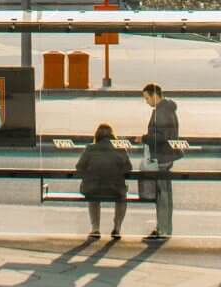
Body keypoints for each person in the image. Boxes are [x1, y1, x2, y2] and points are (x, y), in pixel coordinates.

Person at [75, 123, 132, 241]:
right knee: (122, 198)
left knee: (93, 198)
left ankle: (95, 228)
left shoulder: (90, 148)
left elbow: (79, 167)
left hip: (93, 188)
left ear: (97, 136)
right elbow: (128, 168)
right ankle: (117, 227)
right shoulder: (120, 148)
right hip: (114, 189)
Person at [140, 82, 180, 241]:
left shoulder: (161, 112)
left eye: (147, 98)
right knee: (165, 193)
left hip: (162, 156)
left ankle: (163, 229)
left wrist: (143, 138)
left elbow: (162, 137)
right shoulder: (167, 109)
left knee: (162, 194)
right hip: (167, 155)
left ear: (154, 95)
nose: (146, 102)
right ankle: (165, 228)